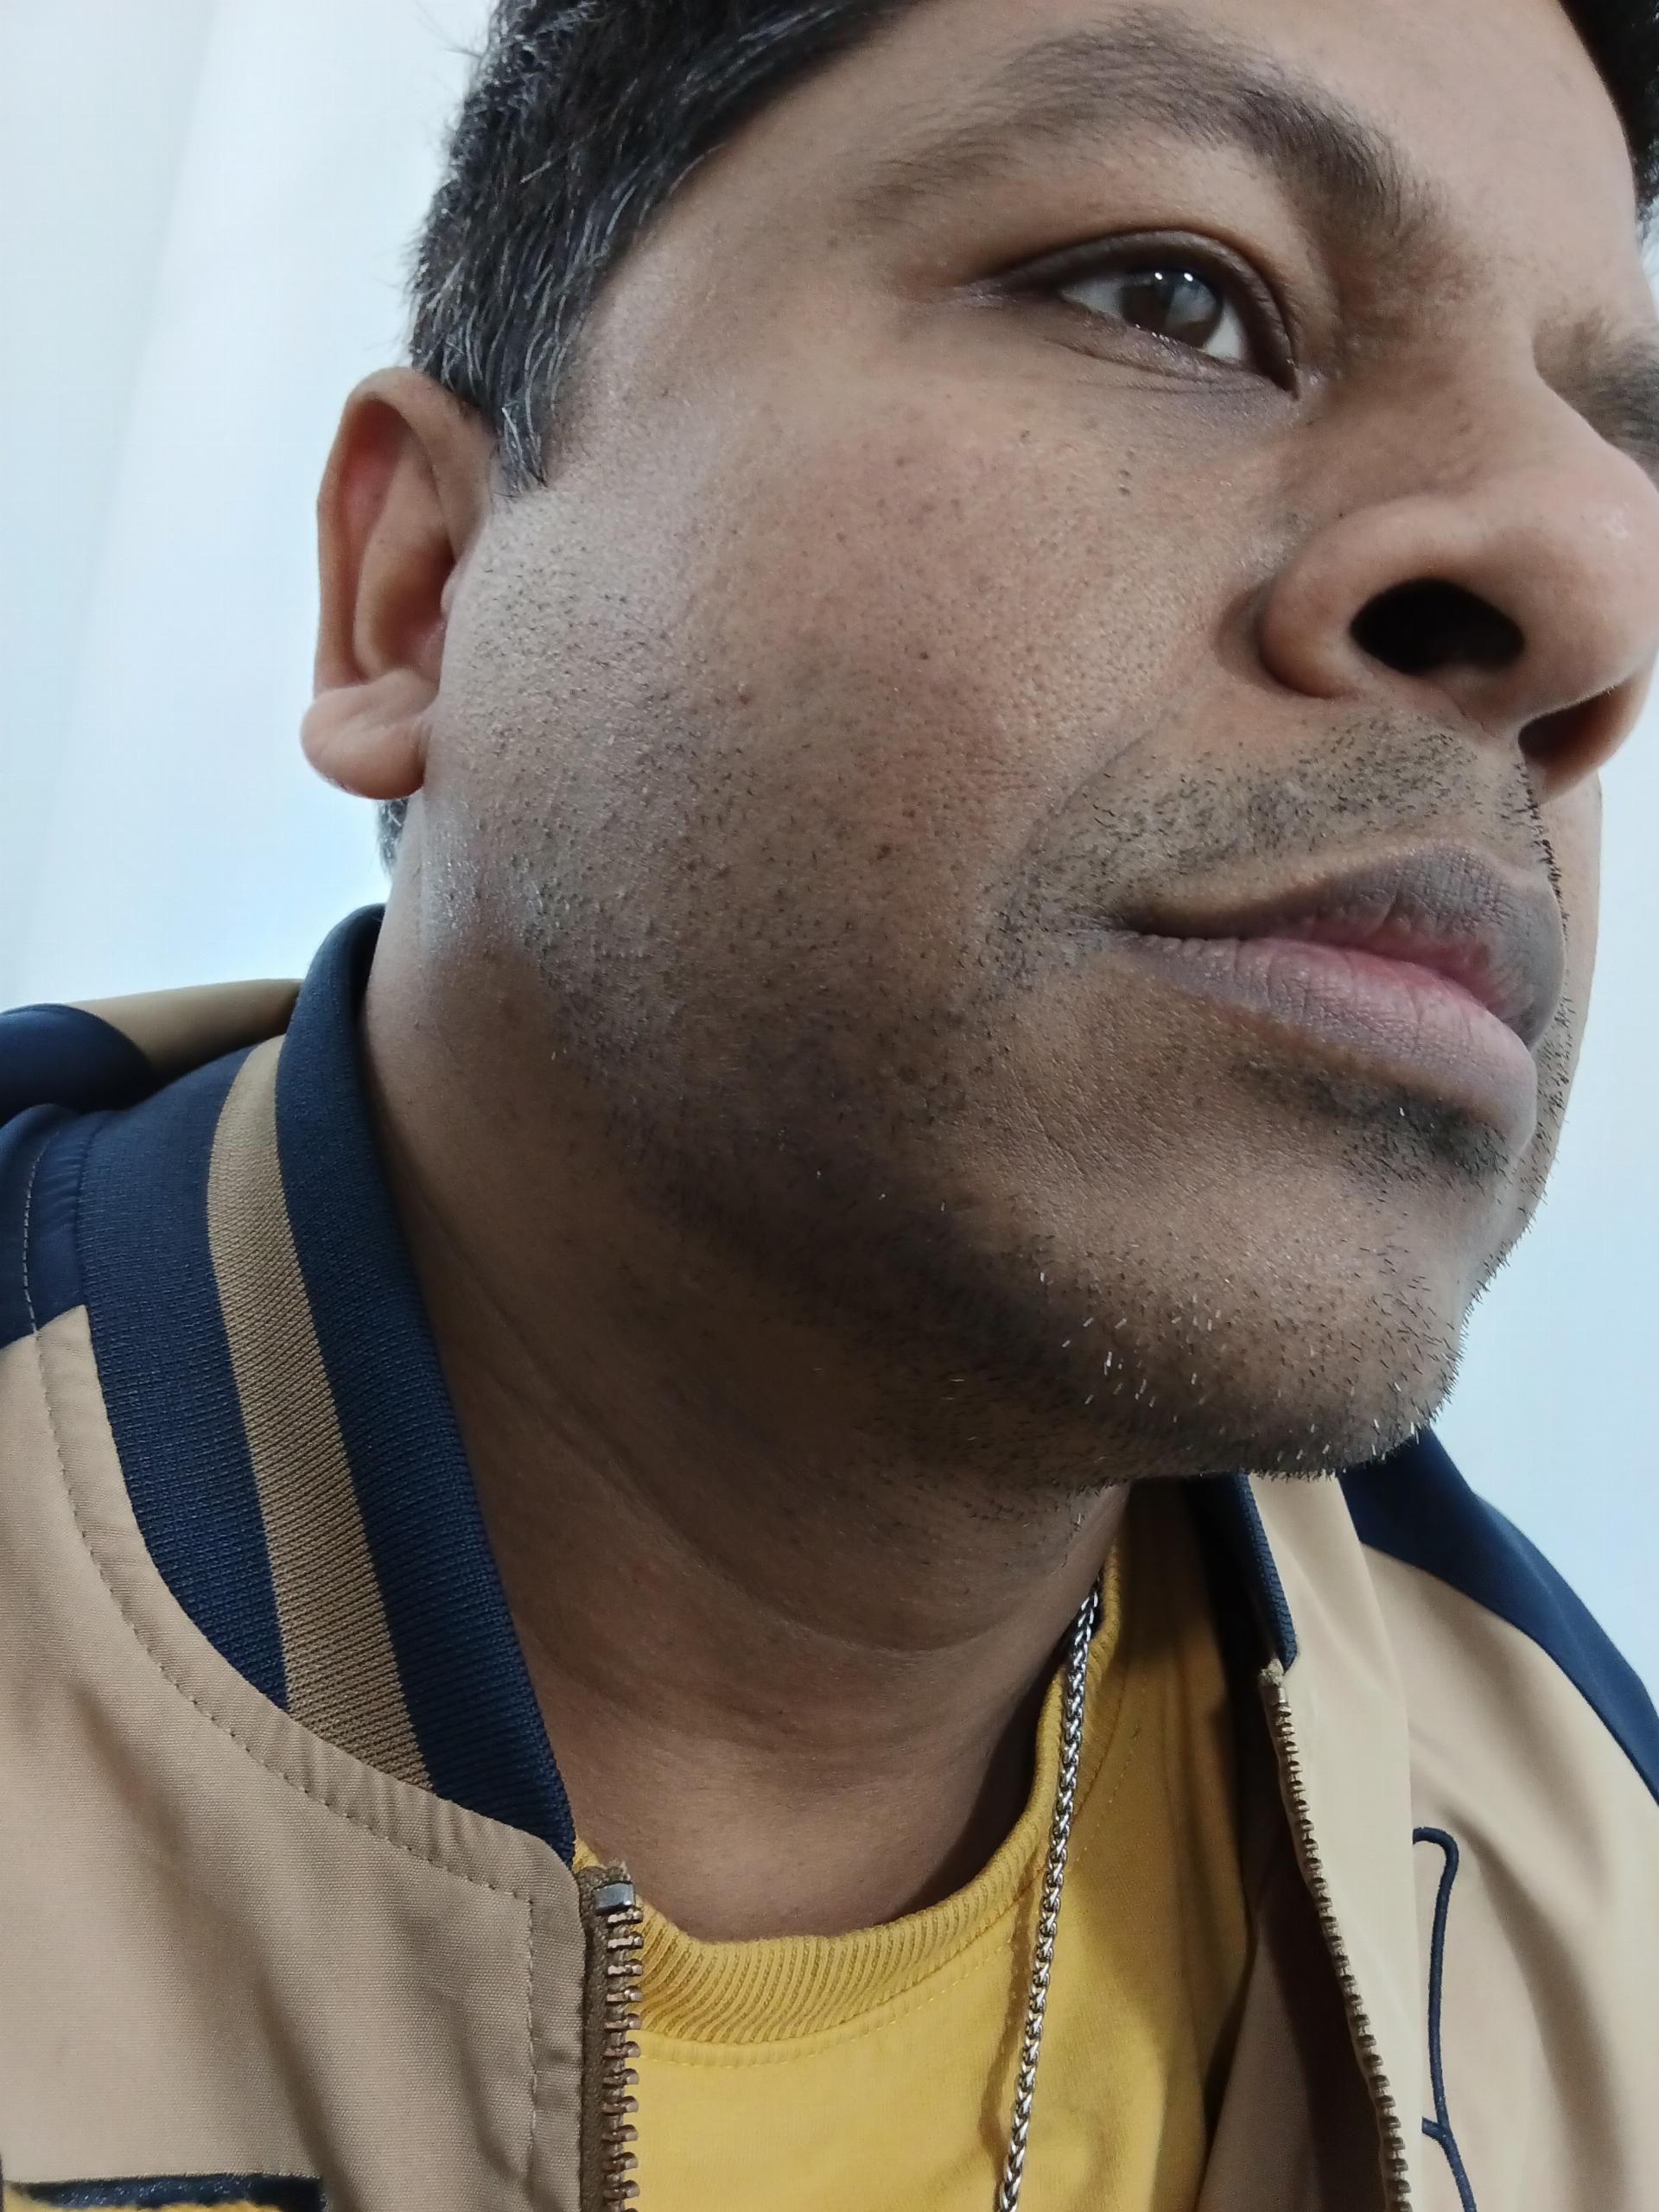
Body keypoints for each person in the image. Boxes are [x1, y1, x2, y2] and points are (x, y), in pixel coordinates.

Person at [3, 0, 1658, 2204]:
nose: (1589, 593)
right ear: (419, 592)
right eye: (1174, 296)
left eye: (1623, 460)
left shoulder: (1608, 1933)